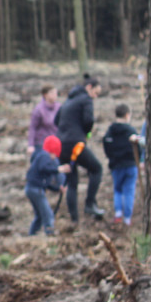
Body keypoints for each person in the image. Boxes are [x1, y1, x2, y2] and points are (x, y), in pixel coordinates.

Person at [55, 74, 104, 222]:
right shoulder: (86, 99)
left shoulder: (68, 101)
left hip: (61, 145)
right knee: (97, 169)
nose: (95, 97)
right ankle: (90, 204)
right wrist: (85, 132)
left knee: (72, 182)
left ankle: (74, 219)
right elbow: (89, 120)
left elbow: (56, 120)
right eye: (95, 93)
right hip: (76, 144)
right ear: (89, 87)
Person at [101, 104, 142, 226]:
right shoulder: (131, 131)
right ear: (127, 115)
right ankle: (127, 218)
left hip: (116, 166)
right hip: (130, 166)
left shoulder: (110, 131)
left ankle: (118, 213)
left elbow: (106, 146)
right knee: (129, 190)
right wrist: (139, 160)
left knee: (118, 189)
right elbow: (138, 149)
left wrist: (112, 158)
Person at [25, 135, 70, 236]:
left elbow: (46, 183)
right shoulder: (44, 156)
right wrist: (58, 169)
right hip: (35, 189)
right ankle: (49, 233)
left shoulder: (42, 157)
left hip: (31, 188)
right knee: (48, 214)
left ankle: (32, 234)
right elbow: (44, 168)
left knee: (39, 216)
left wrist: (57, 189)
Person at [27, 85, 60, 156]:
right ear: (45, 95)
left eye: (56, 93)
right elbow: (33, 127)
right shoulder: (39, 109)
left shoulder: (59, 107)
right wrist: (30, 145)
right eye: (52, 93)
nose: (55, 95)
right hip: (41, 144)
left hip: (55, 143)